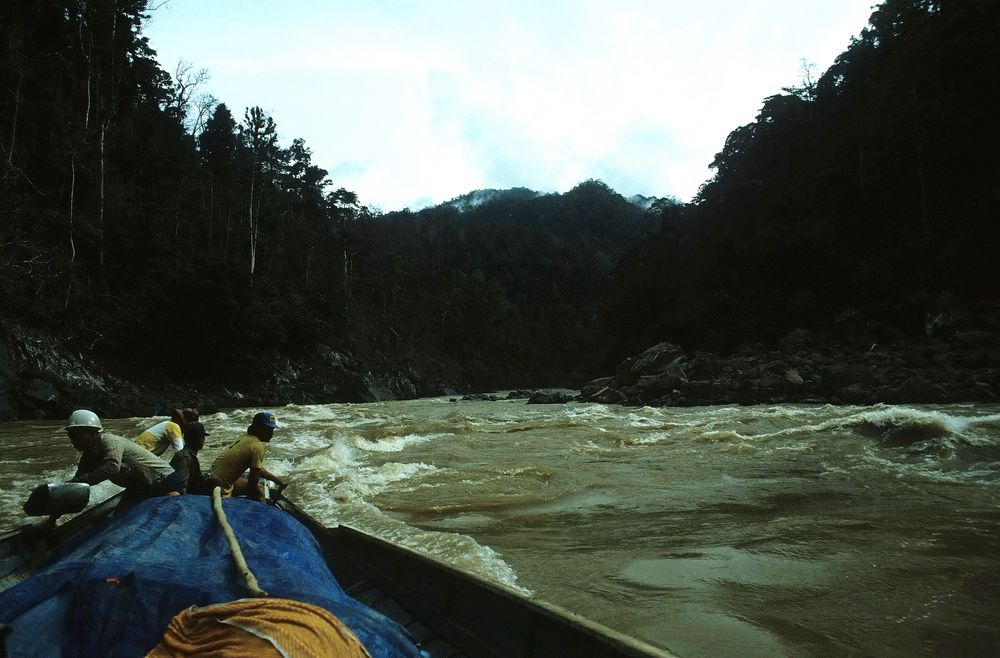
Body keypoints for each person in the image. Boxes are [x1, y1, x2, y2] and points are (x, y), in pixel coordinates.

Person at [64, 409, 183, 510]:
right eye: (70, 436)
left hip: (165, 481)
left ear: (92, 433)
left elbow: (111, 468)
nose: (72, 441)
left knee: (170, 512)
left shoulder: (109, 441)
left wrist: (79, 481)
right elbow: (76, 486)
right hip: (141, 487)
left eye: (76, 436)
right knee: (119, 516)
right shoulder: (88, 455)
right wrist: (53, 519)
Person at [209, 411, 288, 502]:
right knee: (259, 490)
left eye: (272, 430)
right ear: (258, 428)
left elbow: (259, 468)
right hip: (220, 489)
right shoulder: (258, 445)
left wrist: (277, 481)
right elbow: (252, 484)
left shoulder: (245, 438)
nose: (271, 434)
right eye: (267, 430)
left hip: (211, 481)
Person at [169, 421, 215, 495]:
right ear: (195, 438)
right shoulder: (184, 457)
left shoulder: (190, 454)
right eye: (202, 436)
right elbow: (182, 486)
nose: (203, 439)